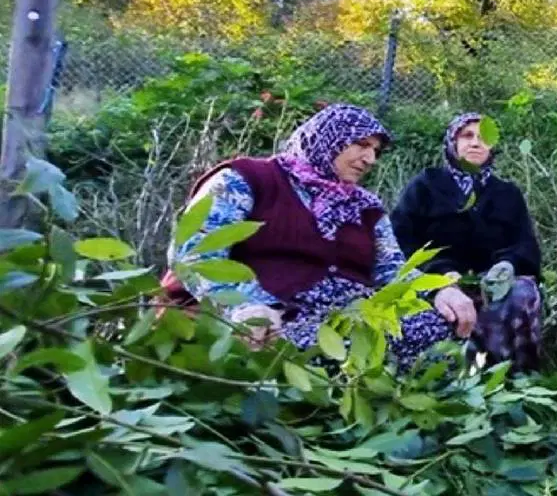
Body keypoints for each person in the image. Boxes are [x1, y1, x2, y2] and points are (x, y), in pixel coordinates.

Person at [163, 104, 470, 369]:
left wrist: (438, 290)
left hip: (346, 319)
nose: (370, 158)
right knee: (306, 350)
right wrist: (244, 307)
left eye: (375, 151)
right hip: (269, 317)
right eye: (361, 144)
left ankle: (369, 380)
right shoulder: (245, 179)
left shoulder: (366, 206)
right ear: (328, 137)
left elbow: (391, 270)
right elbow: (196, 253)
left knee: (437, 327)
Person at [391, 113, 542, 372]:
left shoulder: (508, 193)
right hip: (435, 280)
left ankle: (514, 378)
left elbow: (525, 243)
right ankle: (451, 382)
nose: (475, 143)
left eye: (484, 138)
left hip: (492, 282)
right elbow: (400, 239)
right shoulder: (426, 185)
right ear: (452, 142)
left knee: (521, 294)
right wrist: (439, 274)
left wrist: (507, 265)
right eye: (467, 136)